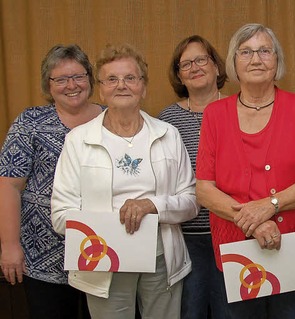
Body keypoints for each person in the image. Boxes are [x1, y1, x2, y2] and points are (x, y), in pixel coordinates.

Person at [50, 44, 198, 318]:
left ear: (143, 86)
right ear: (100, 88)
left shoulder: (168, 134)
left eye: (130, 78)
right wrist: (111, 231)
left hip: (161, 260)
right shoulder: (78, 141)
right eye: (112, 79)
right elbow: (60, 216)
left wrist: (152, 205)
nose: (122, 86)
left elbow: (190, 202)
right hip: (103, 261)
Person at [195, 23, 295, 319]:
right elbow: (204, 189)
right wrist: (253, 221)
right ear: (233, 63)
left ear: (277, 60)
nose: (256, 59)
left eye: (264, 50)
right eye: (246, 52)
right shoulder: (214, 115)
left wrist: (270, 206)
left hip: (292, 246)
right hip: (236, 247)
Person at [0, 44, 102, 319]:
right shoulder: (30, 122)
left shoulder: (111, 119)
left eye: (79, 76)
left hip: (103, 251)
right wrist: (9, 246)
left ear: (90, 79)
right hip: (42, 253)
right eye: (61, 79)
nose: (71, 85)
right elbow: (9, 185)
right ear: (48, 84)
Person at [158, 34, 228, 319]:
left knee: (232, 313)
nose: (195, 67)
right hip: (186, 238)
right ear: (179, 75)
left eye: (202, 59)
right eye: (186, 64)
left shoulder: (239, 108)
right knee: (190, 312)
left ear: (216, 67)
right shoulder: (166, 120)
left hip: (233, 232)